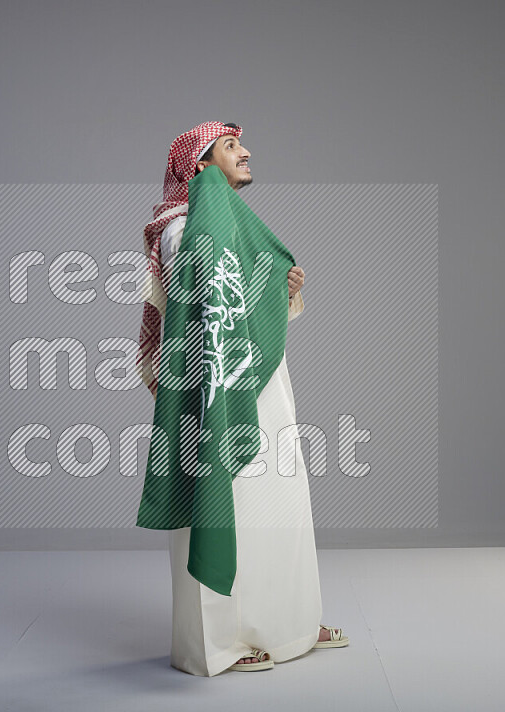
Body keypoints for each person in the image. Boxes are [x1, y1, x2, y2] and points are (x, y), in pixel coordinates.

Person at [136, 121, 349, 676]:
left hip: (262, 381)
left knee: (279, 502)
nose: (246, 152)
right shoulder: (182, 228)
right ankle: (215, 644)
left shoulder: (234, 222)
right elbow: (204, 306)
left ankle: (291, 625)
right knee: (220, 499)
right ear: (199, 168)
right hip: (213, 387)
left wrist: (282, 293)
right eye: (230, 147)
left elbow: (242, 306)